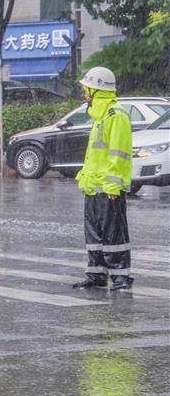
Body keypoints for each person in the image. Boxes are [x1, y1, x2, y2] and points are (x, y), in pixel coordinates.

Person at [72, 66, 134, 291]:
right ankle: (96, 275)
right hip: (93, 187)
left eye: (86, 90)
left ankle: (121, 277)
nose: (84, 94)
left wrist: (112, 184)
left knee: (113, 234)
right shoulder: (99, 117)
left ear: (97, 91)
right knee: (94, 235)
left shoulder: (116, 115)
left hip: (108, 188)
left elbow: (119, 153)